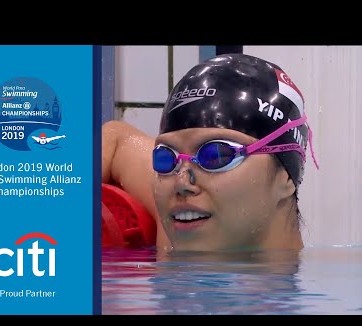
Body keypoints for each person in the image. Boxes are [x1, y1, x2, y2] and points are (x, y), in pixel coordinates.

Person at [102, 53, 318, 254]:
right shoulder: (174, 242)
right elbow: (115, 137)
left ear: (286, 176)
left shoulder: (334, 285)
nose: (181, 183)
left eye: (216, 156)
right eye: (166, 158)